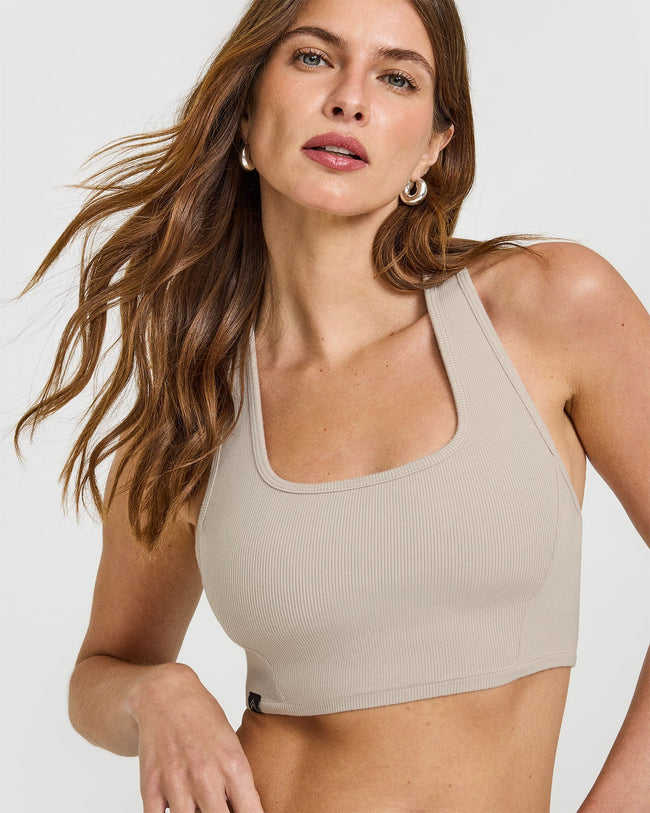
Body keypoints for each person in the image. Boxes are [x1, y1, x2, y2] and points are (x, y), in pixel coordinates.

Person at [14, 0, 649, 810]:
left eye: (396, 78)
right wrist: (156, 692)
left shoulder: (550, 308)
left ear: (434, 144)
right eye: (313, 58)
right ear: (247, 110)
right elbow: (98, 675)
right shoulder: (197, 407)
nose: (350, 98)